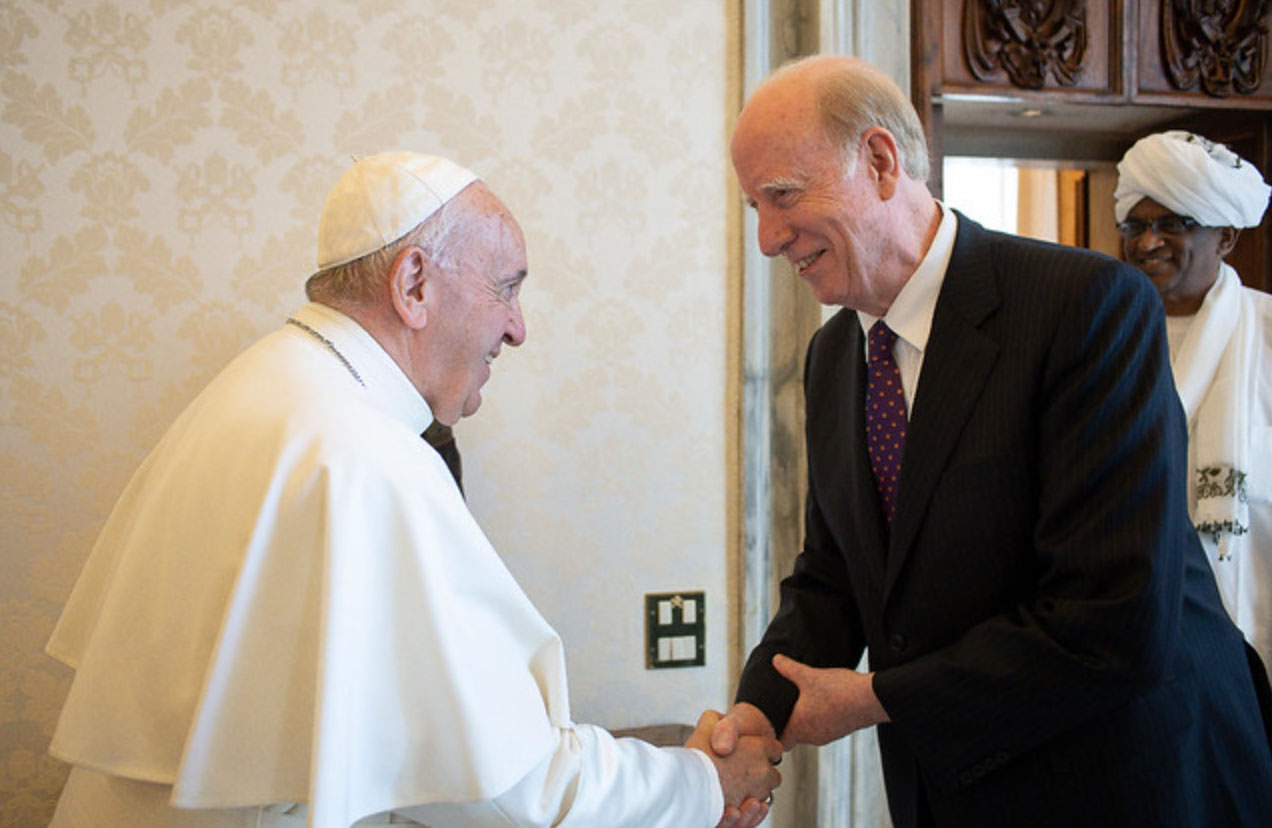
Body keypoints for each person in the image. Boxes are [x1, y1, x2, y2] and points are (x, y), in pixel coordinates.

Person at [45, 151, 780, 828]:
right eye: (507, 289)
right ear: (414, 283)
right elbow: (510, 784)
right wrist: (703, 782)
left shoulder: (268, 383)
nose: (518, 330)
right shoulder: (365, 456)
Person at [709, 55, 1272, 827]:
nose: (770, 239)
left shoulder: (1085, 308)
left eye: (782, 197)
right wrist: (755, 718)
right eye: (755, 208)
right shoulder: (834, 355)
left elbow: (1113, 617)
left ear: (879, 161)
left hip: (1128, 778)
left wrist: (876, 699)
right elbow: (833, 575)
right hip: (954, 787)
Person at [1114, 130, 1272, 676]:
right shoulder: (1100, 339)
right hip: (1136, 637)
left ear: (1226, 236)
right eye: (1134, 226)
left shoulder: (1267, 333)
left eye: (1172, 224)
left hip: (1254, 629)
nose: (1147, 242)